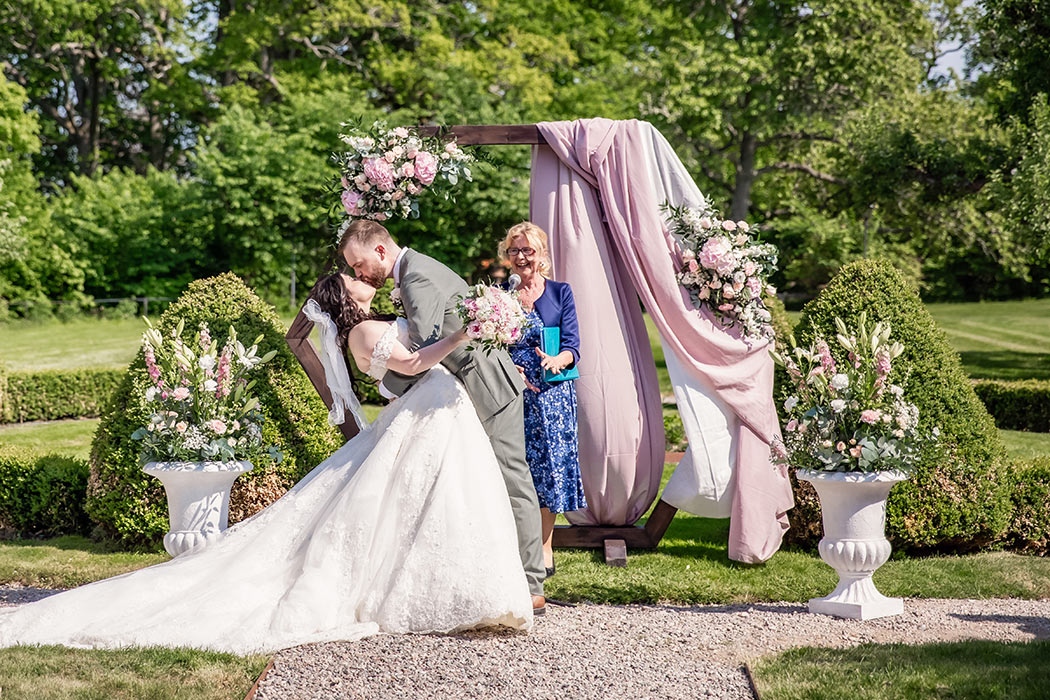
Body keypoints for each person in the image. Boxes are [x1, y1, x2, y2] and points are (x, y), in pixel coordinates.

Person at [0, 272, 532, 654]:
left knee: (435, 505)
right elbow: (414, 361)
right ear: (345, 300)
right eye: (352, 280)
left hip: (432, 416)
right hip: (427, 415)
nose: (362, 279)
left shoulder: (378, 318)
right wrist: (467, 333)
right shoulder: (363, 332)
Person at [339, 220, 547, 614]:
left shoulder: (416, 277)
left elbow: (422, 347)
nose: (358, 273)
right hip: (472, 386)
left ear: (380, 251)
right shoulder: (414, 271)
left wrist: (389, 385)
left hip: (490, 388)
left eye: (359, 263)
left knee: (513, 479)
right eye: (353, 269)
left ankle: (532, 582)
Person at [501, 222, 585, 577]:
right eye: (514, 251)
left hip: (551, 397)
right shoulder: (498, 295)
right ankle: (513, 545)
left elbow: (573, 346)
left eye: (528, 250)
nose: (521, 257)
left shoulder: (560, 292)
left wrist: (556, 360)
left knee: (548, 469)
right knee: (513, 468)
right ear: (507, 256)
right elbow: (485, 344)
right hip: (509, 392)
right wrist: (510, 369)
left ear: (541, 255)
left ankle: (545, 545)